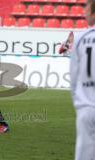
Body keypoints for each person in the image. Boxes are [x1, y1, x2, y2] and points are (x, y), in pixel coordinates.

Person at [70, 0, 95, 159]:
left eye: (86, 7)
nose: (83, 11)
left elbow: (74, 77)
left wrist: (78, 103)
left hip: (86, 107)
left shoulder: (80, 38)